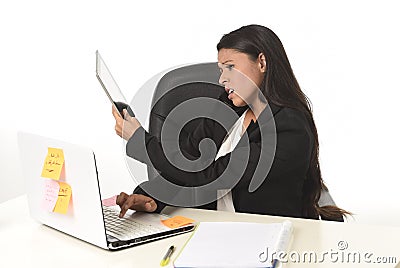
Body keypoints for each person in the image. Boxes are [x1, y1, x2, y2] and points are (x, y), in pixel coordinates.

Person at [112, 24, 348, 221]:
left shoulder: (289, 128)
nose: (222, 78)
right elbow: (189, 161)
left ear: (262, 63)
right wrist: (151, 197)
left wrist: (139, 141)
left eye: (231, 67)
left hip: (269, 239)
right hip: (219, 229)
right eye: (221, 69)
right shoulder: (228, 108)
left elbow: (210, 174)